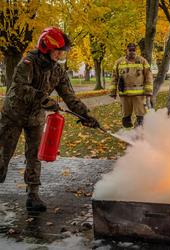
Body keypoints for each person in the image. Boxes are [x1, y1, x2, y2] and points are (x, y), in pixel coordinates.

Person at [0, 27, 100, 212]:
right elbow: (20, 88)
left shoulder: (58, 71)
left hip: (35, 117)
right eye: (58, 51)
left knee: (34, 156)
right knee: (3, 155)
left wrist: (86, 115)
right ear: (46, 48)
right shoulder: (28, 63)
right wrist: (45, 100)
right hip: (13, 115)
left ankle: (33, 194)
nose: (61, 55)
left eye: (63, 52)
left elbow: (70, 97)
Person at [110, 43, 153, 127]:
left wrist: (148, 91)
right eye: (130, 50)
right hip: (124, 95)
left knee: (141, 117)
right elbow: (114, 77)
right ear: (126, 50)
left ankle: (141, 135)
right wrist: (113, 91)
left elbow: (149, 76)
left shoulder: (142, 61)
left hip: (139, 95)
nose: (132, 52)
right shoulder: (119, 62)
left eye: (134, 50)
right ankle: (128, 135)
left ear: (136, 50)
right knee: (126, 118)